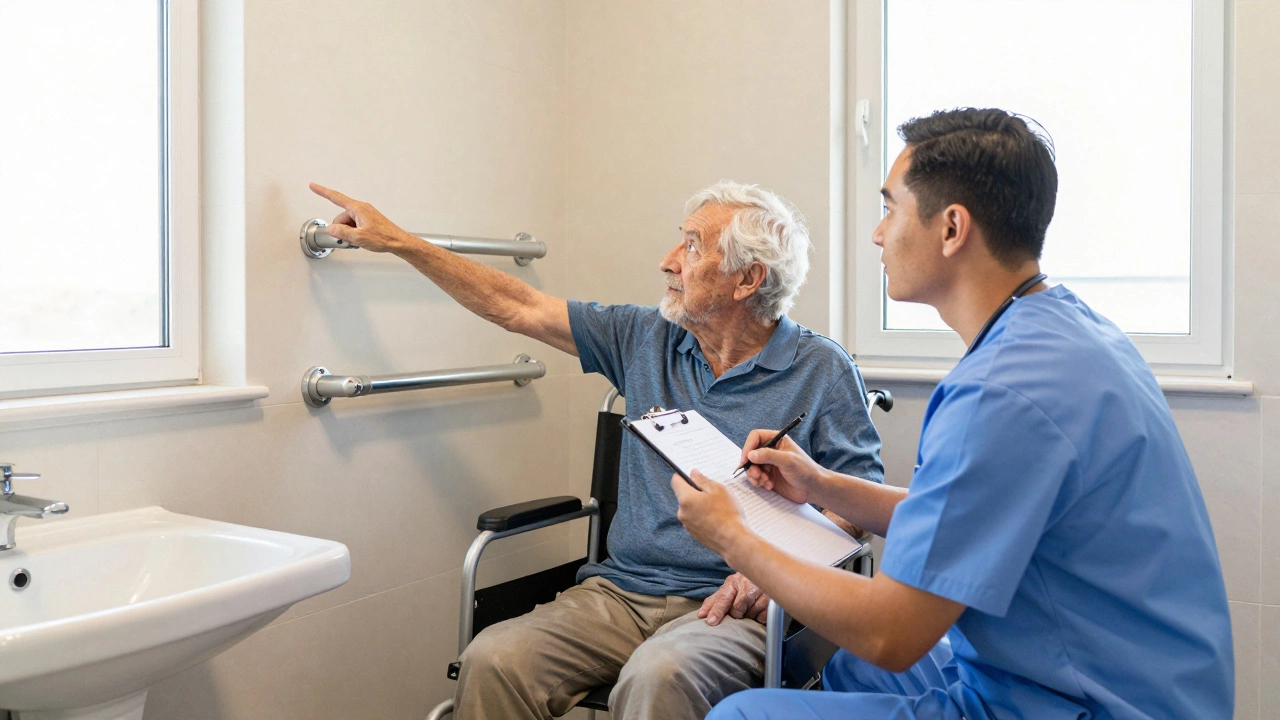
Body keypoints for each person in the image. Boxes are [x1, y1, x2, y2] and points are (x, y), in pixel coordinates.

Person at [671, 108, 1234, 720]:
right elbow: (964, 515)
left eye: (890, 208)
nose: (877, 234)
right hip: (1153, 677)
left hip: (1089, 701)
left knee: (741, 715)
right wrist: (822, 485)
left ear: (951, 228)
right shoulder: (1066, 332)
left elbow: (891, 633)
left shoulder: (1000, 393)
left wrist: (732, 535)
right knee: (847, 668)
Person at [309, 180, 884, 720]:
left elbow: (860, 507)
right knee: (495, 659)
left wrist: (776, 571)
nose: (667, 260)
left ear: (747, 279)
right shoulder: (645, 338)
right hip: (619, 591)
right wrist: (404, 243)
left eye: (691, 246)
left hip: (738, 604)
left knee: (656, 676)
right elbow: (518, 305)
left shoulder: (822, 370)